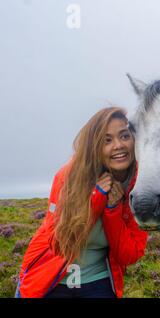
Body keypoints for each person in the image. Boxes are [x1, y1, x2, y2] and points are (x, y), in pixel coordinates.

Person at [16, 107, 148, 298]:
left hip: (98, 279)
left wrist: (112, 209)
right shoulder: (68, 176)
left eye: (125, 136)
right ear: (94, 146)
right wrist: (97, 198)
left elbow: (129, 255)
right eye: (107, 140)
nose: (118, 145)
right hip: (50, 276)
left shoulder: (141, 185)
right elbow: (60, 244)